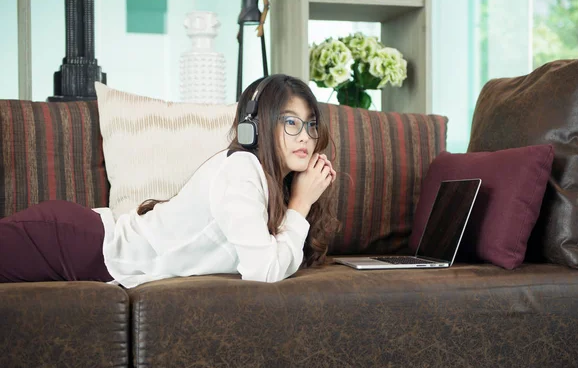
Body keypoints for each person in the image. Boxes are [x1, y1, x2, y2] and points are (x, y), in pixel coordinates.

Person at [0, 74, 339, 287]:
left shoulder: (274, 184)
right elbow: (263, 270)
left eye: (310, 124)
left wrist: (296, 201)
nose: (306, 136)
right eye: (291, 122)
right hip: (75, 243)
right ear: (256, 125)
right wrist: (301, 204)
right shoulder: (242, 169)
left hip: (89, 247)